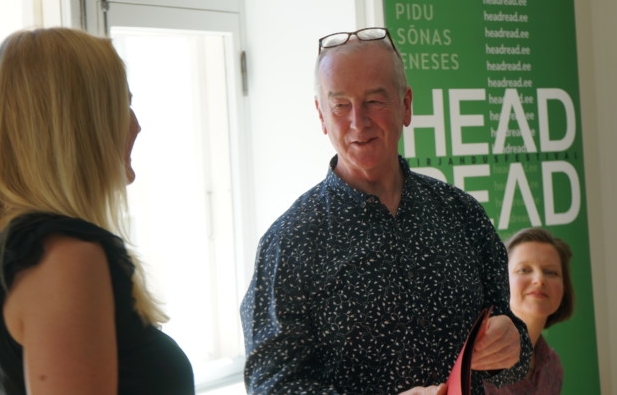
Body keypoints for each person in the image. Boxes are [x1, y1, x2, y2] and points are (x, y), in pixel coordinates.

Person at [241, 27, 533, 395]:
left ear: (406, 105)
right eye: (340, 105)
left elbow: (512, 349)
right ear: (321, 115)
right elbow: (272, 386)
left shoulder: (462, 214)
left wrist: (512, 344)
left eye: (375, 101)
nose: (358, 122)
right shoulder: (289, 243)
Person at [0, 27, 195, 394]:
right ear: (81, 124)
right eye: (121, 104)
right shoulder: (63, 258)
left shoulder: (36, 250)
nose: (136, 124)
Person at [484, 228, 575, 395]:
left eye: (551, 272)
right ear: (501, 282)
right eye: (524, 270)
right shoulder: (479, 357)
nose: (539, 280)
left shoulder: (553, 366)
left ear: (564, 288)